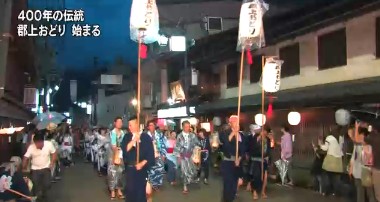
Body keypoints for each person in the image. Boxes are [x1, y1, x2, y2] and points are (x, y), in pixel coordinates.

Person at [122, 116, 155, 202]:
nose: (129, 127)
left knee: (141, 193)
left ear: (137, 125)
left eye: (130, 125)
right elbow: (125, 150)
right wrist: (133, 140)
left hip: (142, 170)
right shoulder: (127, 136)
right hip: (130, 169)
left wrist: (142, 163)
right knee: (130, 192)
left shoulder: (146, 137)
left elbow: (150, 154)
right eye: (128, 125)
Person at [22, 131, 57, 202]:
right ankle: (38, 198)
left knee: (47, 184)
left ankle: (44, 193)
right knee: (35, 184)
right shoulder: (31, 147)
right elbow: (25, 157)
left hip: (46, 168)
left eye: (39, 144)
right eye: (36, 144)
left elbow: (54, 153)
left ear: (42, 141)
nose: (37, 146)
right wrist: (24, 167)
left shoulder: (49, 144)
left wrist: (52, 162)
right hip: (35, 169)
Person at [219, 115, 244, 202]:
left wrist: (239, 159)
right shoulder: (225, 133)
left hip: (237, 162)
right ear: (230, 123)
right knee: (228, 185)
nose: (237, 123)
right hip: (228, 162)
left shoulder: (241, 135)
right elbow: (225, 144)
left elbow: (242, 149)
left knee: (234, 185)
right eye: (234, 121)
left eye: (238, 121)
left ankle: (231, 199)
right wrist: (234, 133)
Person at [174, 120, 200, 194]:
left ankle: (190, 179)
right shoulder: (179, 136)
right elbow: (177, 147)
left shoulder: (193, 135)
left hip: (191, 156)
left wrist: (197, 152)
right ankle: (185, 186)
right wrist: (178, 156)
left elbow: (197, 144)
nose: (187, 128)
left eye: (188, 126)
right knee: (184, 171)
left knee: (193, 170)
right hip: (182, 156)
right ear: (183, 127)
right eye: (185, 126)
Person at [248, 125, 271, 200]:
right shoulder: (256, 138)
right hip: (256, 159)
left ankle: (263, 191)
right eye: (262, 130)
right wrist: (258, 140)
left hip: (264, 160)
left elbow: (269, 149)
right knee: (256, 176)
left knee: (264, 177)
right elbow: (252, 148)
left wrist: (267, 156)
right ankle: (254, 191)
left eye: (265, 131)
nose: (264, 132)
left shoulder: (267, 139)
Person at [319, 126, 343, 196]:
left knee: (327, 177)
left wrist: (320, 145)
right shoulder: (341, 137)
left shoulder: (329, 138)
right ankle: (336, 193)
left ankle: (327, 191)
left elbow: (325, 148)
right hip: (338, 160)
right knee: (336, 178)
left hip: (330, 159)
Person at [108, 117, 125, 200]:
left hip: (121, 155)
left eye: (121, 122)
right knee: (112, 173)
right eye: (118, 122)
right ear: (115, 123)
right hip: (113, 155)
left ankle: (119, 189)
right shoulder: (112, 133)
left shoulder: (123, 133)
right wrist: (116, 153)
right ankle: (112, 191)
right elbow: (113, 146)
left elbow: (124, 144)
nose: (120, 123)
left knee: (120, 173)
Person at [146, 120, 166, 190]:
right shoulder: (145, 135)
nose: (152, 127)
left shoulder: (159, 135)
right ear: (148, 127)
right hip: (149, 156)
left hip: (159, 154)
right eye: (150, 125)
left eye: (153, 125)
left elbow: (163, 144)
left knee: (159, 170)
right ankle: (152, 184)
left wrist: (163, 154)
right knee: (151, 171)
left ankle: (158, 184)